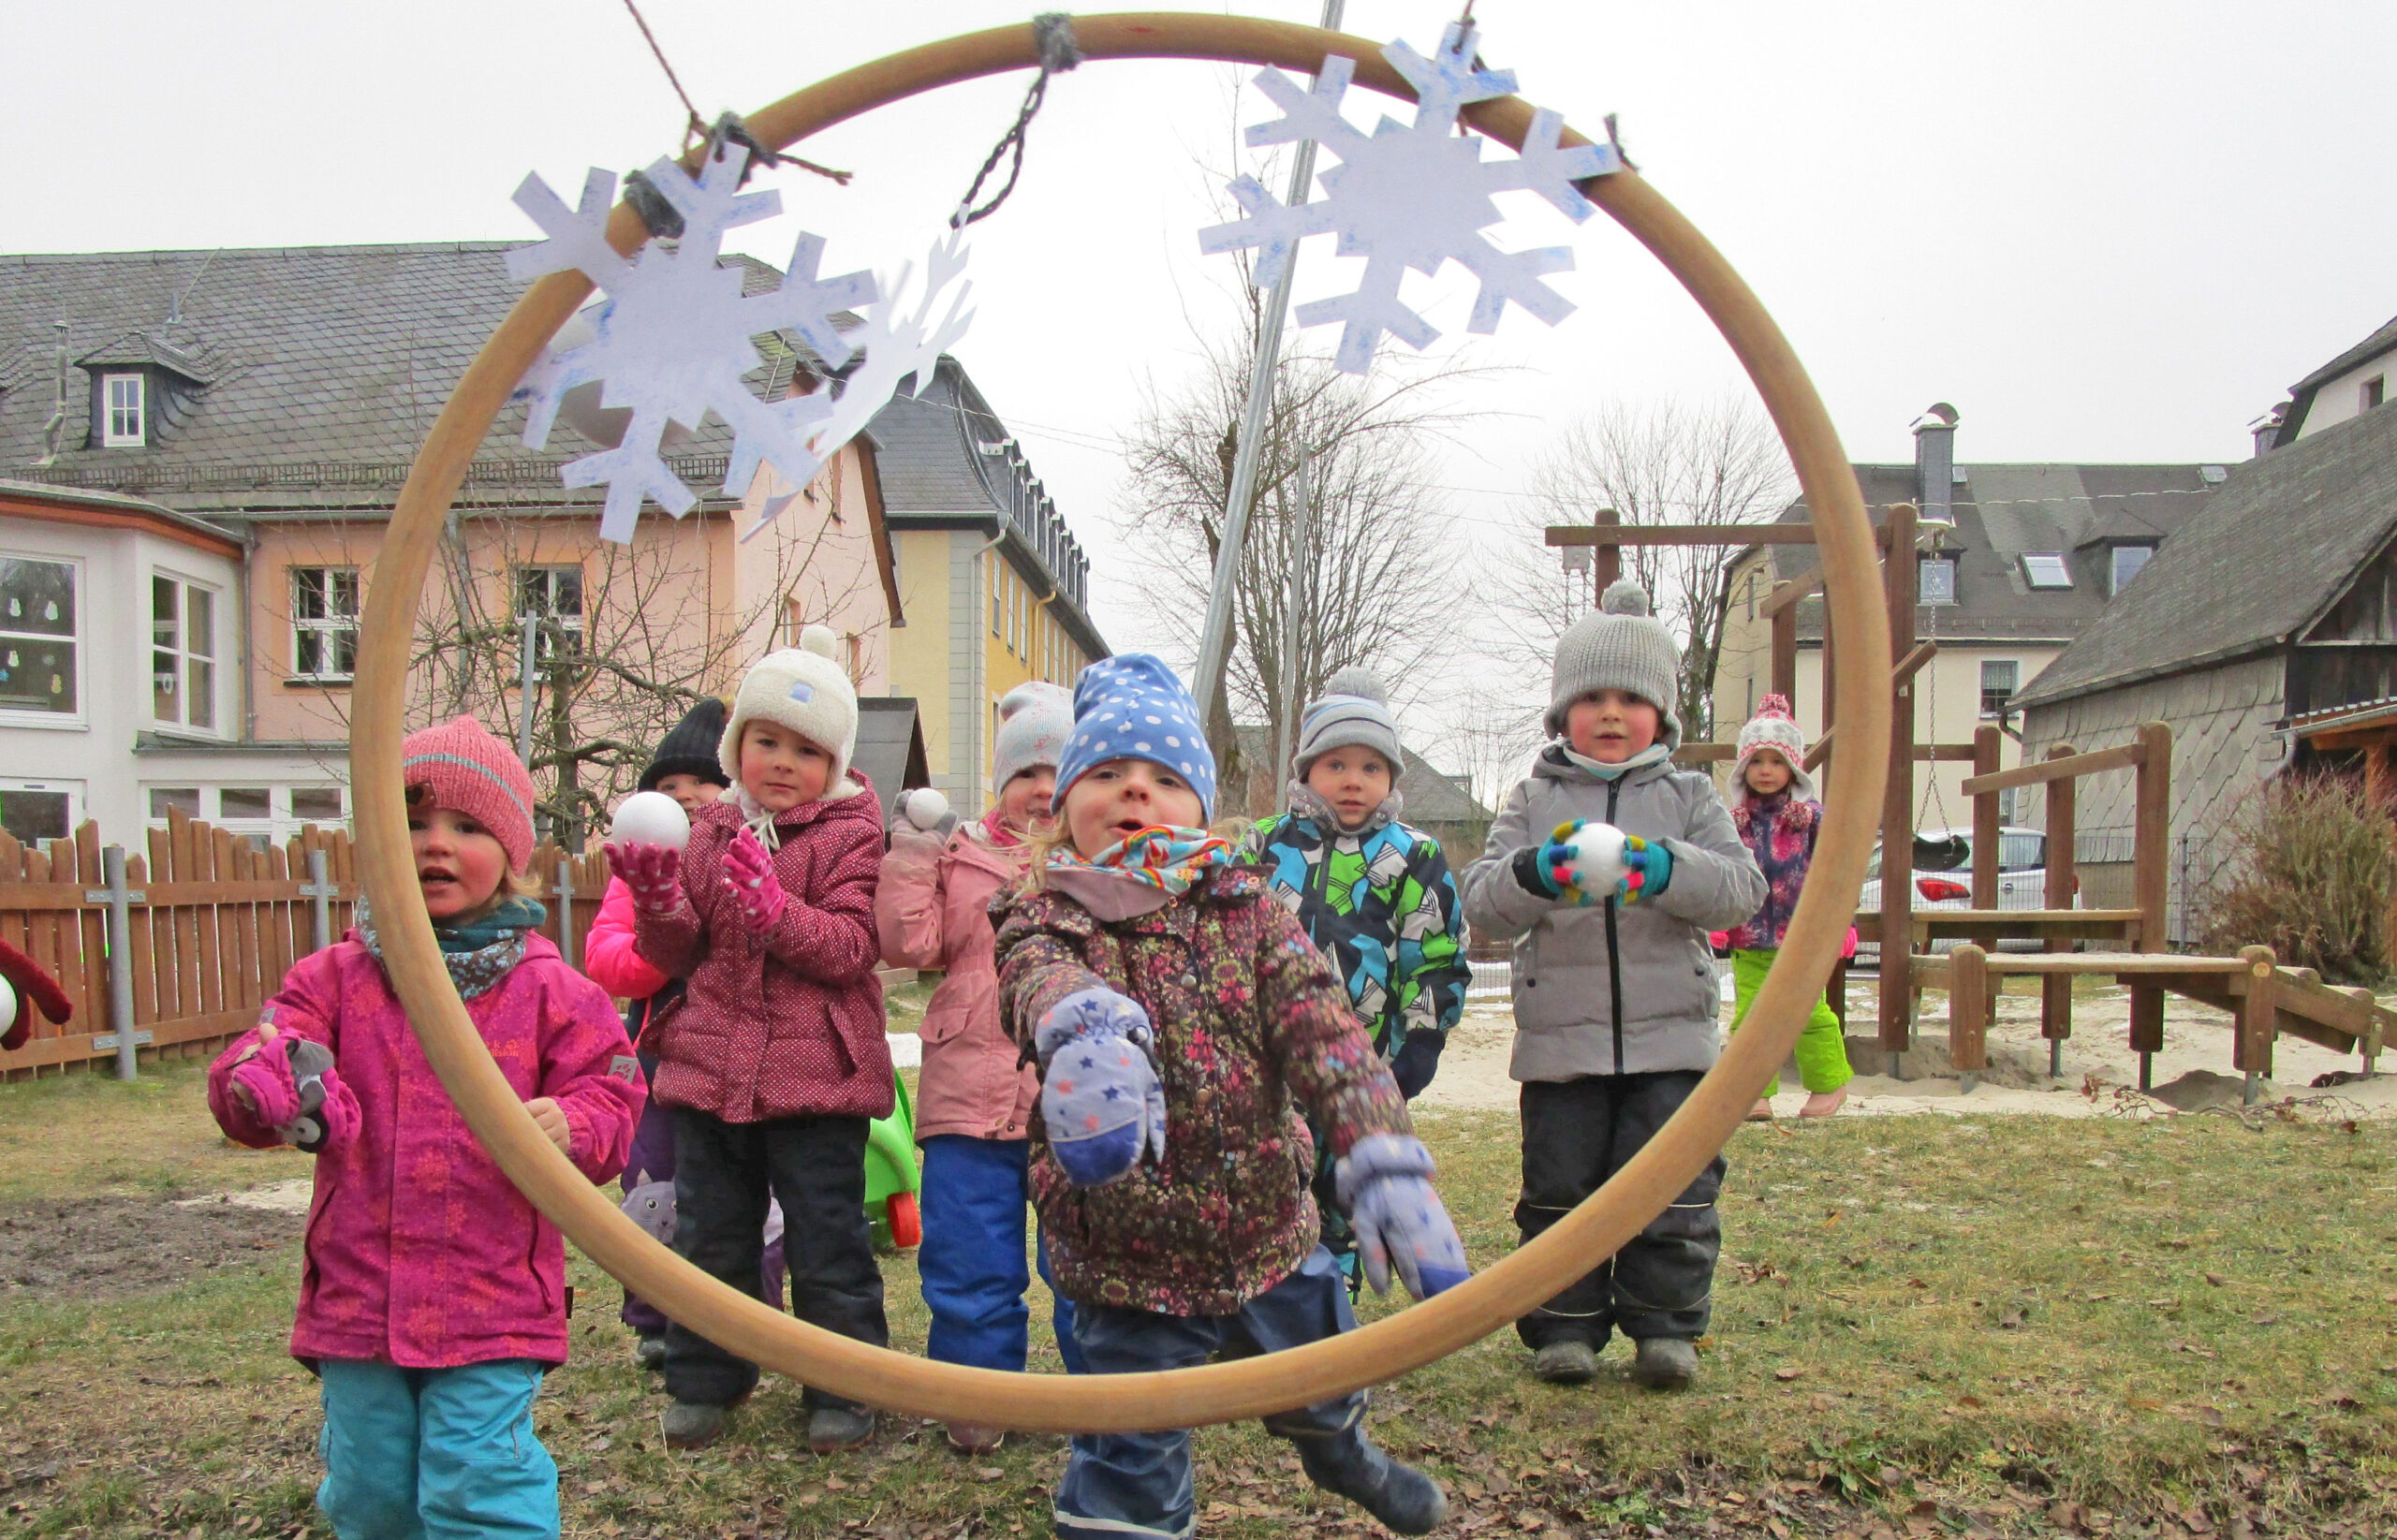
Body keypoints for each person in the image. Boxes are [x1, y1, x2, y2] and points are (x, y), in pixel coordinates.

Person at [993, 654, 1462, 1540]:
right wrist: (1084, 1025)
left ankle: (1347, 1456)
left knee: (1320, 1387)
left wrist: (1381, 1152)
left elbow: (1328, 1033)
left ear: (1202, 806)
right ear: (1064, 807)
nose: (1136, 790)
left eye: (1165, 777)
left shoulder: (1251, 911)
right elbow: (1031, 978)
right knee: (1127, 1460)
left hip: (1267, 1232)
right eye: (1106, 773)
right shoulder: (1048, 913)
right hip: (1125, 1254)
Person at [206, 715, 643, 1540]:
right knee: (371, 1490)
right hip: (359, 1296)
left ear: (512, 853)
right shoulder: (334, 979)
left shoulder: (553, 992)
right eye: (411, 822)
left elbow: (617, 1093)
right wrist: (267, 1085)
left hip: (491, 1299)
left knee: (478, 1482)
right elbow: (266, 1057)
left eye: (467, 826)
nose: (435, 844)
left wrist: (576, 1121)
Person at [1460, 581, 1766, 1393]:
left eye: (1630, 697)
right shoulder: (1532, 800)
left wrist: (1666, 869)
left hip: (1673, 1040)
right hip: (1564, 1042)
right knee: (1561, 1189)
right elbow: (1482, 899)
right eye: (1589, 696)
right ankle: (1565, 1327)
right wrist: (1536, 872)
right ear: (1561, 715)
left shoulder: (1691, 797)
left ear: (1661, 716)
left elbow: (1742, 890)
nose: (1608, 712)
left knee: (1675, 1189)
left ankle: (1666, 1330)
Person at [604, 625, 892, 1454]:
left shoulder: (851, 833)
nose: (781, 761)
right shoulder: (712, 826)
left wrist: (777, 913)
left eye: (805, 749)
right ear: (738, 747)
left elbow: (847, 948)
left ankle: (845, 1381)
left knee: (826, 1233)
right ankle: (706, 1376)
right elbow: (676, 951)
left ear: (832, 764)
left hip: (817, 1078)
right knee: (711, 1233)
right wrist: (658, 897)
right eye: (765, 740)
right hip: (711, 1069)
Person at [875, 681, 1086, 1455]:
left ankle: (1100, 1397)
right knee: (968, 1258)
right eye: (1025, 772)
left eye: (1058, 775)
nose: (1040, 790)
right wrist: (913, 849)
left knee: (1082, 1259)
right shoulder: (958, 852)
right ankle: (974, 1396)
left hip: (1070, 1102)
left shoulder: (1094, 863)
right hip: (967, 1092)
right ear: (1001, 780)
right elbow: (908, 943)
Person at [1240, 666, 1471, 1293]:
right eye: (1336, 763)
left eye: (1371, 767)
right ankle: (1266, 1294)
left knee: (1348, 1183)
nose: (1353, 780)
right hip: (1270, 1063)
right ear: (1306, 769)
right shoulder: (1263, 843)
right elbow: (1224, 935)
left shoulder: (1412, 855)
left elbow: (1435, 952)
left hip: (1364, 1065)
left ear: (1392, 778)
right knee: (1270, 1183)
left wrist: (1420, 1042)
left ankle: (1332, 1304)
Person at [583, 697, 730, 1370]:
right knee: (653, 1181)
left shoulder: (743, 859)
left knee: (732, 1193)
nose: (685, 797)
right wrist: (661, 946)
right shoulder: (636, 879)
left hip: (731, 1056)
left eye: (700, 781)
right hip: (656, 1059)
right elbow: (605, 956)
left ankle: (742, 1314)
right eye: (667, 788)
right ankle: (652, 1317)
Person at [1721, 694, 1854, 1122]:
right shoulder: (1733, 820)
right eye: (1756, 760)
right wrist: (1719, 920)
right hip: (1749, 936)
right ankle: (1752, 1092)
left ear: (1793, 768)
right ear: (1744, 767)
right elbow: (1722, 872)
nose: (1765, 770)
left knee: (1809, 1013)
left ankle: (1829, 1085)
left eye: (1776, 761)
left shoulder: (1811, 819)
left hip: (1802, 940)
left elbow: (1835, 874)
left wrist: (1840, 925)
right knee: (1750, 1018)